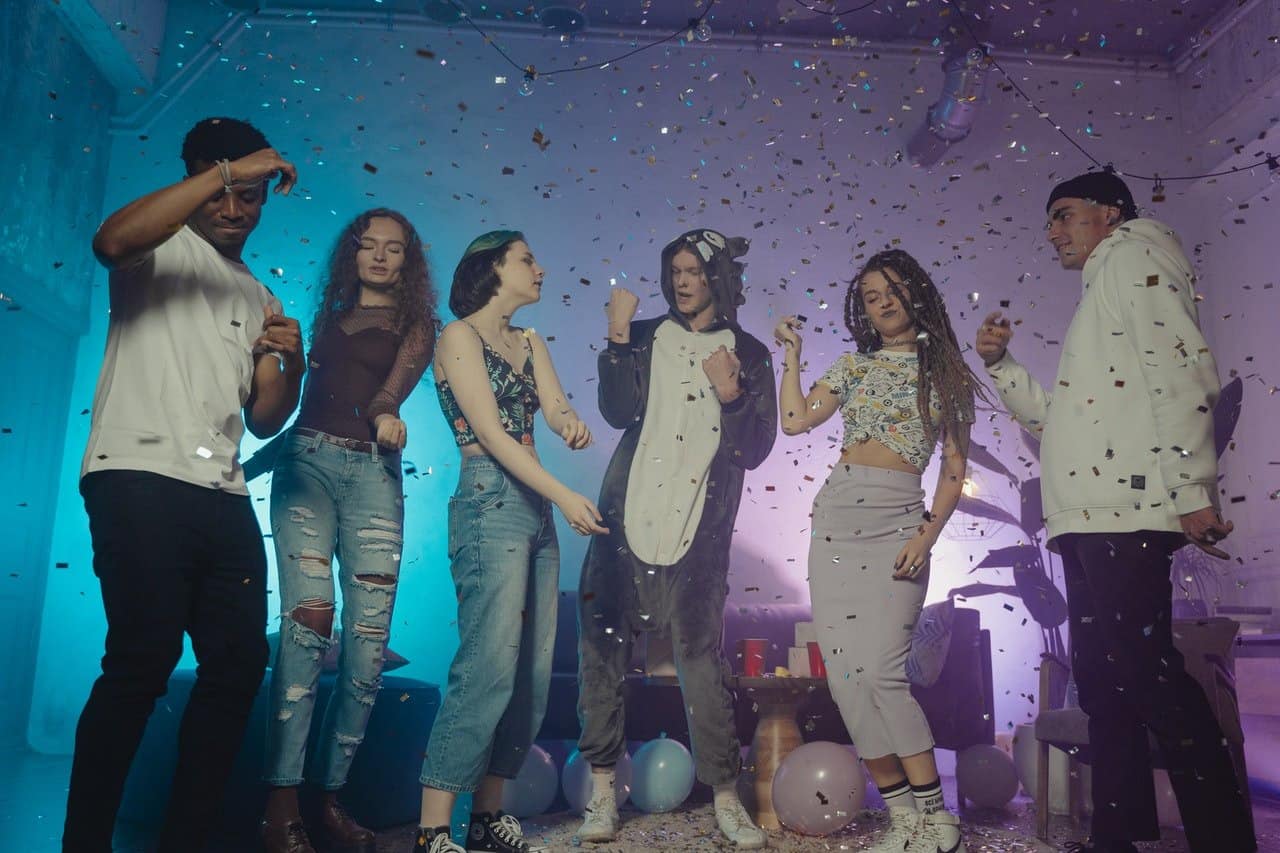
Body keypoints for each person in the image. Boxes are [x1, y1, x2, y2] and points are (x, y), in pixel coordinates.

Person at [974, 171, 1256, 853]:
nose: (1054, 233)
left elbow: (1180, 366)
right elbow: (1061, 420)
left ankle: (1224, 840)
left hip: (1122, 513)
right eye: (1049, 221)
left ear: (1109, 213)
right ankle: (1117, 835)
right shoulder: (1102, 294)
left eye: (1064, 215)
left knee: (1150, 673)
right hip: (1088, 516)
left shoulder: (1134, 256)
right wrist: (1005, 366)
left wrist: (1192, 487)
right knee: (1104, 683)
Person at [65, 117, 302, 853]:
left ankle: (186, 840)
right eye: (224, 190)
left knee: (236, 668)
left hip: (222, 494)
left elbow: (264, 419)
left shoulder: (258, 291)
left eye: (251, 197)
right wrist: (231, 168)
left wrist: (290, 362)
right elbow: (108, 242)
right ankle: (85, 844)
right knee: (141, 660)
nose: (235, 209)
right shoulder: (156, 244)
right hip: (137, 475)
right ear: (198, 180)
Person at [775, 249, 985, 853]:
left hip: (899, 525)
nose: (884, 301)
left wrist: (925, 536)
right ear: (862, 309)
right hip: (837, 523)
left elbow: (953, 469)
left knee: (883, 674)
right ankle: (903, 821)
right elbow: (794, 420)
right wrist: (790, 357)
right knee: (845, 679)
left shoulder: (943, 373)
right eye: (871, 295)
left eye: (892, 289)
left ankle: (937, 817)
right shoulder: (852, 367)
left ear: (914, 292)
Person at [575, 229, 776, 849]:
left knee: (698, 659)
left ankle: (725, 796)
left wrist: (731, 392)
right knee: (602, 650)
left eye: (694, 271)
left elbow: (755, 448)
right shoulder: (641, 337)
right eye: (676, 271)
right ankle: (602, 795)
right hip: (625, 518)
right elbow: (614, 412)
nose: (683, 282)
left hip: (700, 527)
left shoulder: (748, 351)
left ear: (717, 277)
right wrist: (615, 338)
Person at [412, 230, 605, 853]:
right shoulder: (457, 337)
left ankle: (488, 816)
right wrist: (563, 493)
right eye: (527, 258)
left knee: (531, 670)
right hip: (490, 499)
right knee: (487, 664)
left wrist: (570, 425)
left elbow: (552, 408)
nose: (540, 267)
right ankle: (432, 830)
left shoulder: (530, 340)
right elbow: (493, 436)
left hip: (534, 507)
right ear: (492, 268)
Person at [259, 208, 438, 853]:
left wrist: (388, 414)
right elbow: (306, 397)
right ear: (353, 254)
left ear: (408, 263)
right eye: (370, 247)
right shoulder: (326, 319)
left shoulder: (417, 325)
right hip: (305, 466)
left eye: (394, 250)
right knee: (306, 631)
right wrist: (257, 452)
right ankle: (281, 809)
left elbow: (392, 390)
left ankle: (326, 799)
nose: (381, 258)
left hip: (372, 478)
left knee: (365, 653)